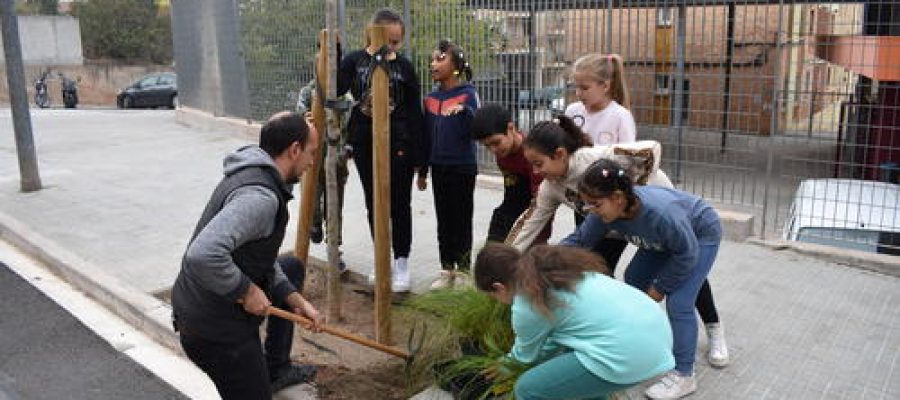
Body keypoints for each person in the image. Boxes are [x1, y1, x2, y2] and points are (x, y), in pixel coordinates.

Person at [512, 115, 729, 371]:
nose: (536, 172)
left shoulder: (599, 165)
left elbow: (651, 150)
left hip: (682, 226)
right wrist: (534, 260)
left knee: (682, 292)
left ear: (559, 154)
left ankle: (691, 362)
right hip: (631, 223)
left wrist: (638, 195)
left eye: (539, 164)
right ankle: (649, 337)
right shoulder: (580, 199)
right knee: (635, 278)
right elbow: (576, 237)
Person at [171, 111, 325, 399]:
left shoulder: (254, 170)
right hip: (212, 330)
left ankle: (276, 370)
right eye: (311, 152)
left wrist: (297, 300)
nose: (311, 162)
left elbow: (261, 260)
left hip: (202, 307)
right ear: (294, 150)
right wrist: (246, 290)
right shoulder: (260, 198)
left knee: (289, 266)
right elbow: (202, 255)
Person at [562, 158, 723, 400]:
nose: (590, 211)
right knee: (634, 277)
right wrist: (544, 258)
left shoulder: (660, 214)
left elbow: (687, 254)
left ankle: (684, 373)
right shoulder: (605, 211)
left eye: (595, 204)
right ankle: (651, 342)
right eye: (588, 206)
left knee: (679, 301)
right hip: (665, 240)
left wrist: (660, 288)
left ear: (617, 197)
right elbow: (580, 241)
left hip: (700, 234)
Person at [473, 243, 675, 400]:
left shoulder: (526, 302)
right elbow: (555, 340)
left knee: (527, 389)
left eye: (493, 296)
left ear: (498, 287)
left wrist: (504, 365)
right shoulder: (558, 274)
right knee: (585, 380)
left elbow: (525, 355)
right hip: (657, 338)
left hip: (624, 354)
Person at [337, 8, 426, 292]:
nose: (393, 47)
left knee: (400, 204)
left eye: (398, 41)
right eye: (388, 40)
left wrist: (420, 157)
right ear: (372, 34)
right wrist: (332, 57)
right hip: (365, 141)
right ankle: (381, 259)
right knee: (374, 202)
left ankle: (401, 262)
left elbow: (414, 111)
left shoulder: (404, 67)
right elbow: (336, 90)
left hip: (399, 143)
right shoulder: (355, 61)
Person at [418, 39, 480, 289]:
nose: (433, 64)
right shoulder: (430, 99)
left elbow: (477, 128)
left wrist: (465, 111)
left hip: (463, 167)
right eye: (432, 59)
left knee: (462, 219)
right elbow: (425, 137)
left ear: (456, 67)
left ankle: (464, 270)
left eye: (440, 59)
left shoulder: (468, 94)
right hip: (438, 167)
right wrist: (423, 171)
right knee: (443, 220)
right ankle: (447, 269)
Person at [470, 103, 551, 245]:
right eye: (487, 146)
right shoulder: (503, 153)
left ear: (511, 128)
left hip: (531, 217)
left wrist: (534, 238)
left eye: (496, 142)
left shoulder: (532, 156)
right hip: (508, 212)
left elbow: (541, 204)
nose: (493, 150)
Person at [296, 78, 350, 272]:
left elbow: (347, 128)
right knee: (311, 204)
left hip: (336, 161)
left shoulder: (344, 97)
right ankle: (315, 225)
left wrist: (345, 151)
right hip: (311, 161)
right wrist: (305, 119)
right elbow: (299, 116)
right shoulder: (307, 92)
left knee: (334, 208)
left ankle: (334, 251)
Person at [565, 53, 635, 146]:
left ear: (605, 86)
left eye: (584, 88)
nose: (578, 93)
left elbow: (627, 155)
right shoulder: (572, 111)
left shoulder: (621, 116)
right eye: (576, 87)